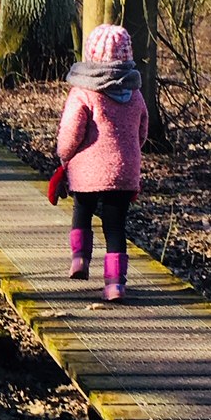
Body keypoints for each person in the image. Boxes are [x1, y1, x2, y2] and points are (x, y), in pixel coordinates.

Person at [54, 23, 151, 301]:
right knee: (116, 225)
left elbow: (71, 134)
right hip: (124, 172)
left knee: (82, 210)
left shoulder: (83, 93)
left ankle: (80, 260)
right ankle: (115, 284)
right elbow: (142, 132)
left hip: (87, 170)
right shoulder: (135, 94)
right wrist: (129, 152)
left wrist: (64, 156)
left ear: (91, 54)